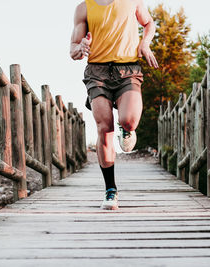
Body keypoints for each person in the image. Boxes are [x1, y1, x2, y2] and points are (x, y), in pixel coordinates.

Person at [70, 0, 158, 210]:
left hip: (127, 70)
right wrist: (80, 47)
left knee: (128, 120)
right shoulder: (84, 8)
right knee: (104, 127)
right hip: (97, 73)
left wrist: (144, 43)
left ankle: (127, 129)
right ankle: (111, 190)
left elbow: (149, 23)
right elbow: (73, 49)